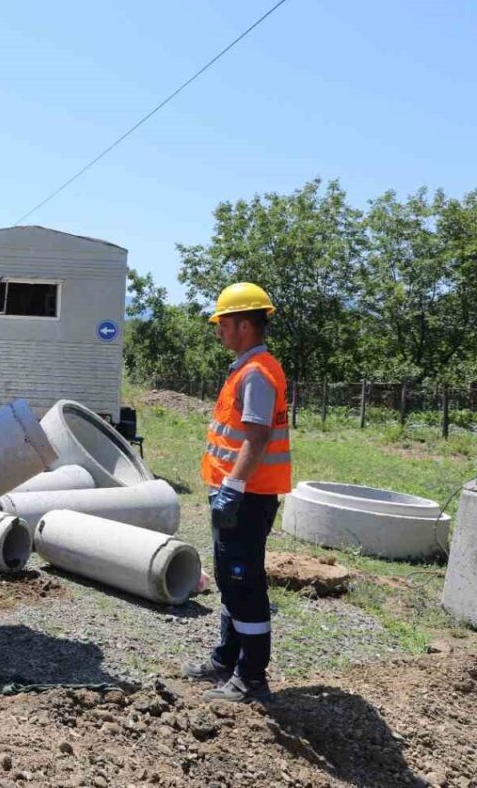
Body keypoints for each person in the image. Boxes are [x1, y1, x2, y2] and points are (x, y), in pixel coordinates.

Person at [183, 282, 292, 704]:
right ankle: (225, 659)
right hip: (237, 494)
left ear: (244, 325)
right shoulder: (247, 369)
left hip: (246, 497)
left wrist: (232, 488)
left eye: (223, 324)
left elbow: (257, 438)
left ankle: (252, 677)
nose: (218, 332)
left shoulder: (257, 374)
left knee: (244, 584)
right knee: (230, 580)